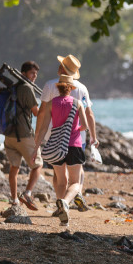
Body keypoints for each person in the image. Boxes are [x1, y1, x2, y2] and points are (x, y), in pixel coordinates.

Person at [32, 73, 93, 226]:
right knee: (75, 182)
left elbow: (45, 126)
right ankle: (65, 202)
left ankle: (63, 217)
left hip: (56, 145)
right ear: (71, 88)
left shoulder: (52, 103)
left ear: (58, 87)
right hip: (74, 145)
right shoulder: (77, 102)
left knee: (61, 181)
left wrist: (36, 146)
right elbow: (84, 126)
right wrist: (77, 129)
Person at [34, 54, 99, 197]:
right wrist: (93, 137)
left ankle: (61, 202)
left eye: (60, 64)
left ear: (62, 68)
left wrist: (37, 135)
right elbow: (89, 114)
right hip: (77, 138)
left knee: (59, 175)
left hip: (53, 135)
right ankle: (75, 193)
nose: (58, 66)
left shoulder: (50, 85)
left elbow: (42, 112)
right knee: (77, 169)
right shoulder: (82, 88)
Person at [4, 60, 42, 211]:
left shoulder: (13, 87)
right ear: (24, 73)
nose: (34, 76)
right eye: (32, 73)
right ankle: (27, 193)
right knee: (38, 165)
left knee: (14, 168)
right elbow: (36, 112)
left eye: (36, 74)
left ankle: (14, 200)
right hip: (24, 135)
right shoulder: (27, 88)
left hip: (9, 135)